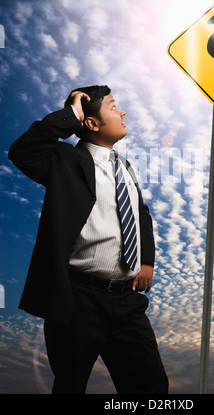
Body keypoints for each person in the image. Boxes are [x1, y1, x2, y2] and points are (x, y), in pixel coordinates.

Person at [8, 85, 168, 394]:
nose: (121, 112)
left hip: (127, 300)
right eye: (112, 106)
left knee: (152, 388)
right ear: (92, 123)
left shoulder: (125, 167)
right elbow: (22, 151)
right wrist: (72, 115)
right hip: (77, 299)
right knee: (70, 385)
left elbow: (140, 212)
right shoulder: (63, 160)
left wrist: (146, 259)